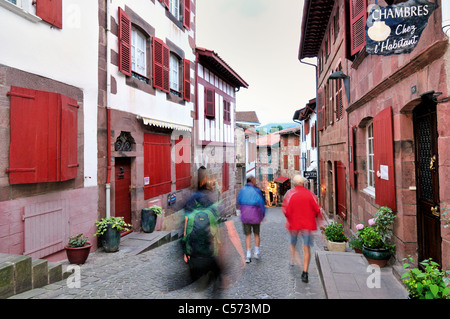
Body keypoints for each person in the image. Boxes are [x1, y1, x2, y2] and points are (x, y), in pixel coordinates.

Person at [282, 175, 322, 283]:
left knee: (292, 243)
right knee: (306, 247)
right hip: (307, 225)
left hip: (294, 224)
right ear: (303, 183)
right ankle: (305, 272)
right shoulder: (310, 195)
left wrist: (290, 218)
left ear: (294, 184)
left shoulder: (291, 194)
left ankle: (293, 259)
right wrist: (318, 220)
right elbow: (317, 210)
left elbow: (286, 211)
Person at [237, 175, 266, 263]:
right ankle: (256, 252)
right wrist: (262, 215)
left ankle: (248, 255)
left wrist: (240, 212)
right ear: (253, 181)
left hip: (245, 216)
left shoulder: (242, 190)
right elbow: (261, 204)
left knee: (248, 235)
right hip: (256, 216)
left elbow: (238, 202)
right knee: (256, 234)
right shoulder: (256, 190)